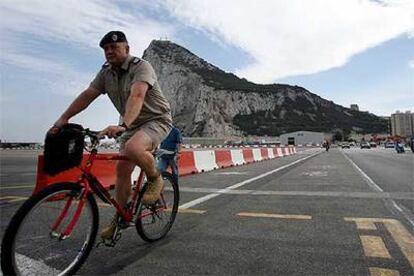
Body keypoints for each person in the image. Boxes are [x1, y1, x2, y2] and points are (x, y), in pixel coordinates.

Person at [52, 31, 172, 240]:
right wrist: (64, 118)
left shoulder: (141, 66)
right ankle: (121, 216)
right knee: (122, 169)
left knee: (135, 149)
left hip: (155, 119)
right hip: (130, 125)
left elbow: (137, 95)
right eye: (105, 48)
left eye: (114, 47)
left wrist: (123, 124)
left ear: (126, 48)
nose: (109, 51)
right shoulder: (105, 73)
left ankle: (155, 178)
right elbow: (88, 95)